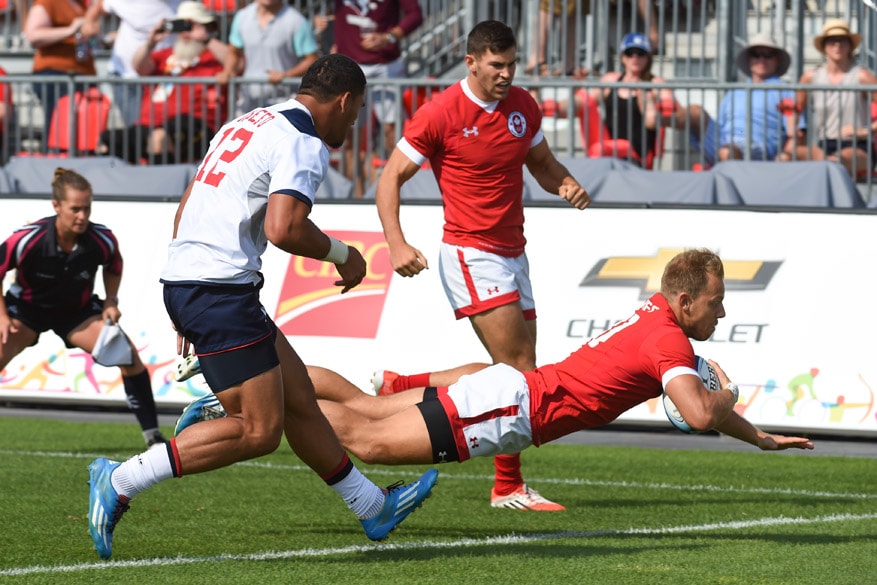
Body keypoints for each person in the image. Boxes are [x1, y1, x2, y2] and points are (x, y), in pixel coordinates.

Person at [86, 54, 438, 561]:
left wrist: (185, 296)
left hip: (197, 281)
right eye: (356, 111)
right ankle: (120, 479)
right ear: (343, 100)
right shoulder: (302, 139)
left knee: (297, 397)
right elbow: (284, 227)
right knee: (258, 430)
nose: (354, 122)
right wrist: (346, 256)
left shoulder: (249, 120)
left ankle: (371, 506)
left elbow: (189, 204)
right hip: (218, 291)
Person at [177, 249, 815, 472]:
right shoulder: (670, 341)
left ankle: (232, 389)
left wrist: (757, 437)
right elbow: (700, 415)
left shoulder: (655, 314)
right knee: (364, 440)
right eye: (716, 302)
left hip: (512, 392)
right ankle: (241, 397)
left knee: (366, 410)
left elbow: (692, 403)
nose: (722, 314)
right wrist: (729, 402)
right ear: (684, 299)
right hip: (511, 411)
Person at [375, 20, 591, 512]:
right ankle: (507, 486)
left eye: (512, 64)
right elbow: (390, 178)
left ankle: (405, 385)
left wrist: (565, 182)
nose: (507, 73)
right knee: (520, 372)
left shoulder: (522, 106)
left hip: (515, 250)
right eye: (497, 65)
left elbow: (541, 163)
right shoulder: (440, 113)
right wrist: (396, 243)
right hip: (471, 253)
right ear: (470, 62)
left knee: (514, 371)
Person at [0, 168, 165, 448]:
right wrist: (2, 316)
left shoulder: (101, 238)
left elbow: (114, 266)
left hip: (75, 313)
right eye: (75, 209)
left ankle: (154, 438)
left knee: (128, 356)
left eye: (86, 208)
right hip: (26, 312)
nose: (82, 216)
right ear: (56, 206)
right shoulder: (29, 238)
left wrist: (111, 301)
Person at [97, 1, 232, 164]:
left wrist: (205, 38)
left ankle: (158, 186)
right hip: (152, 124)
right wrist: (151, 42)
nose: (186, 31)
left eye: (191, 25)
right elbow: (139, 66)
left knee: (159, 137)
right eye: (183, 25)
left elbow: (236, 63)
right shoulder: (166, 54)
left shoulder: (213, 56)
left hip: (196, 126)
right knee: (107, 140)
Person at [331, 0, 424, 196]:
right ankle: (355, 198)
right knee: (348, 136)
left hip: (386, 66)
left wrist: (389, 37)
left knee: (394, 134)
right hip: (349, 65)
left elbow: (415, 14)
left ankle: (400, 194)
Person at [666, 32, 798, 167]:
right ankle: (659, 118)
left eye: (768, 55)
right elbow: (722, 124)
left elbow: (796, 133)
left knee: (730, 148)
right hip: (726, 139)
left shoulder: (786, 91)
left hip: (758, 146)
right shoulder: (734, 91)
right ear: (749, 59)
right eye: (756, 54)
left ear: (778, 60)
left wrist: (783, 160)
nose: (762, 59)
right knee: (694, 111)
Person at [780, 19, 877, 178]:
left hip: (857, 147)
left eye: (842, 41)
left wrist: (865, 131)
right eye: (832, 41)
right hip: (824, 144)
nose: (837, 45)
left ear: (850, 46)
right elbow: (794, 109)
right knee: (783, 157)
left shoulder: (862, 76)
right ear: (824, 46)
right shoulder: (811, 77)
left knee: (833, 163)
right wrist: (793, 133)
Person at [81, 0, 181, 126]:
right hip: (127, 79)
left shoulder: (184, 3)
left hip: (163, 80)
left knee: (163, 134)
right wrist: (89, 22)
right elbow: (101, 5)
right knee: (139, 132)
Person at [218, 0, 319, 116]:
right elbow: (234, 52)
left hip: (283, 104)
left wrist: (286, 75)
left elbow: (312, 59)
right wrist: (228, 71)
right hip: (247, 103)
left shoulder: (297, 21)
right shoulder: (242, 17)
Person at [23, 0, 96, 130]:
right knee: (57, 130)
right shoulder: (48, 2)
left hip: (81, 75)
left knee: (78, 130)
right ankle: (52, 151)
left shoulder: (80, 4)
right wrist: (70, 30)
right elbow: (33, 35)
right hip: (56, 76)